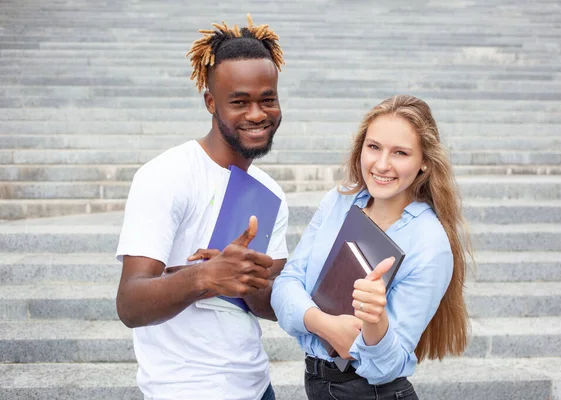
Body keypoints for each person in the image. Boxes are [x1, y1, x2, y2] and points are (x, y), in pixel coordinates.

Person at [115, 15, 288, 400]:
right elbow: (130, 304)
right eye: (239, 101)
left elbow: (266, 306)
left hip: (257, 386)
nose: (258, 114)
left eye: (268, 99)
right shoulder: (165, 175)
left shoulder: (269, 192)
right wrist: (205, 277)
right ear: (211, 102)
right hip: (185, 389)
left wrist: (251, 279)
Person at [271, 95, 473, 399]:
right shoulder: (339, 201)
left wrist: (375, 320)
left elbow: (387, 367)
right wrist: (323, 324)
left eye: (401, 153)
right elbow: (285, 286)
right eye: (374, 147)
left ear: (425, 163)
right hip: (319, 384)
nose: (381, 164)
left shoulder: (430, 245)